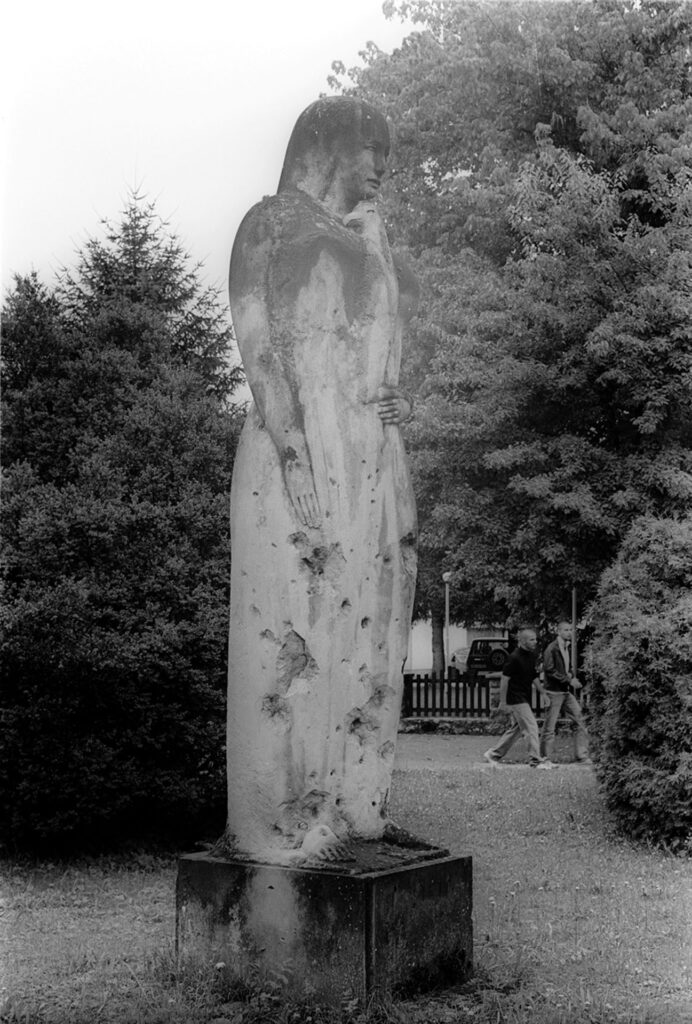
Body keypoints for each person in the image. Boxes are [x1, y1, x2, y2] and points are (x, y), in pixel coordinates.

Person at [225, 97, 419, 862]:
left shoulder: (364, 238)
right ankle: (284, 822)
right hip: (299, 452)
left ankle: (355, 809)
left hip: (371, 451)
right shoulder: (270, 221)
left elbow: (381, 356)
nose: (378, 168)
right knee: (298, 632)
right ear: (330, 143)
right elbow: (259, 345)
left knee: (371, 622)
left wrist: (379, 249)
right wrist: (295, 452)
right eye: (371, 150)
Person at [483, 626, 555, 768]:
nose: (535, 642)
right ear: (522, 641)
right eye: (531, 639)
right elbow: (505, 679)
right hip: (515, 698)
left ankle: (493, 754)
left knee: (516, 730)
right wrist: (503, 701)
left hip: (525, 697)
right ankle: (535, 760)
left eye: (535, 639)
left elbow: (533, 676)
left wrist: (543, 693)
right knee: (531, 726)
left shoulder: (531, 656)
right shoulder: (514, 658)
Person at [540, 621, 590, 764]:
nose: (569, 632)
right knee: (549, 727)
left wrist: (571, 676)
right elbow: (549, 670)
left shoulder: (566, 647)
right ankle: (545, 758)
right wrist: (569, 681)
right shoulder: (552, 648)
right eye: (566, 630)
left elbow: (565, 669)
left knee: (581, 720)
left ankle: (582, 755)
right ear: (559, 631)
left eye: (571, 630)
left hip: (565, 692)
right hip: (553, 692)